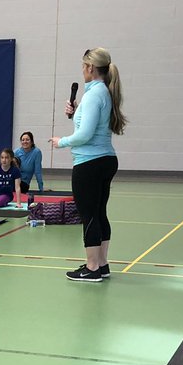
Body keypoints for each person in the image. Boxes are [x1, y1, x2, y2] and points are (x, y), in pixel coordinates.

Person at [49, 46, 126, 283]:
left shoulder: (94, 94)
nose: (82, 71)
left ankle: (92, 268)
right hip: (104, 160)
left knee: (89, 214)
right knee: (99, 212)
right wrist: (75, 114)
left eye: (83, 67)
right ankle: (101, 264)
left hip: (90, 163)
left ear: (90, 68)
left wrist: (61, 141)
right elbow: (91, 125)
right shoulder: (101, 92)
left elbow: (84, 135)